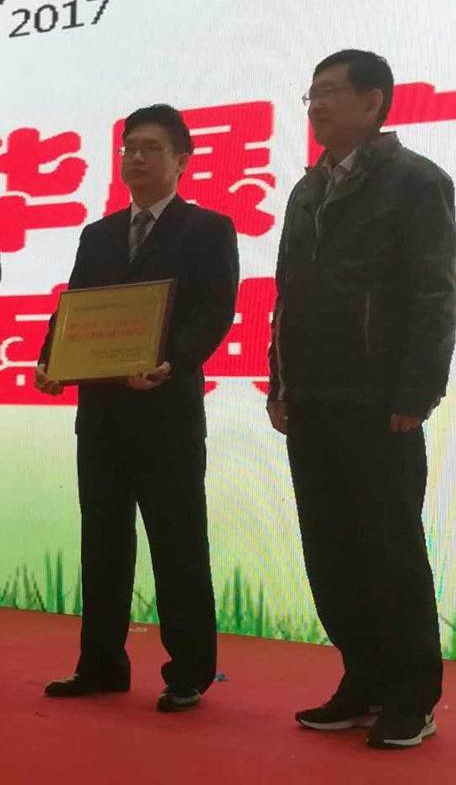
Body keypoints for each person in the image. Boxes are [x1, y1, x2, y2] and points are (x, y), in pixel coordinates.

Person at [267, 50, 456, 749]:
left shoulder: (417, 182)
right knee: (331, 549)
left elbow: (436, 294)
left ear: (374, 102)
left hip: (380, 401)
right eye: (311, 94)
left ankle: (411, 696)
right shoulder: (307, 188)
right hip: (312, 397)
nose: (316, 106)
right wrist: (280, 381)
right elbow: (287, 296)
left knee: (389, 550)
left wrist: (417, 389)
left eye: (331, 92)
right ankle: (363, 679)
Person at [35, 104, 239, 712]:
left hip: (166, 410)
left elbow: (215, 311)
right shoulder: (98, 234)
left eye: (151, 148)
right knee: (102, 540)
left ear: (182, 160)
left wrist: (172, 361)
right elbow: (75, 307)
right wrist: (51, 360)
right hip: (101, 414)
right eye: (129, 148)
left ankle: (190, 671)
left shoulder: (207, 229)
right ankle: (100, 664)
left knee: (178, 541)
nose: (136, 158)